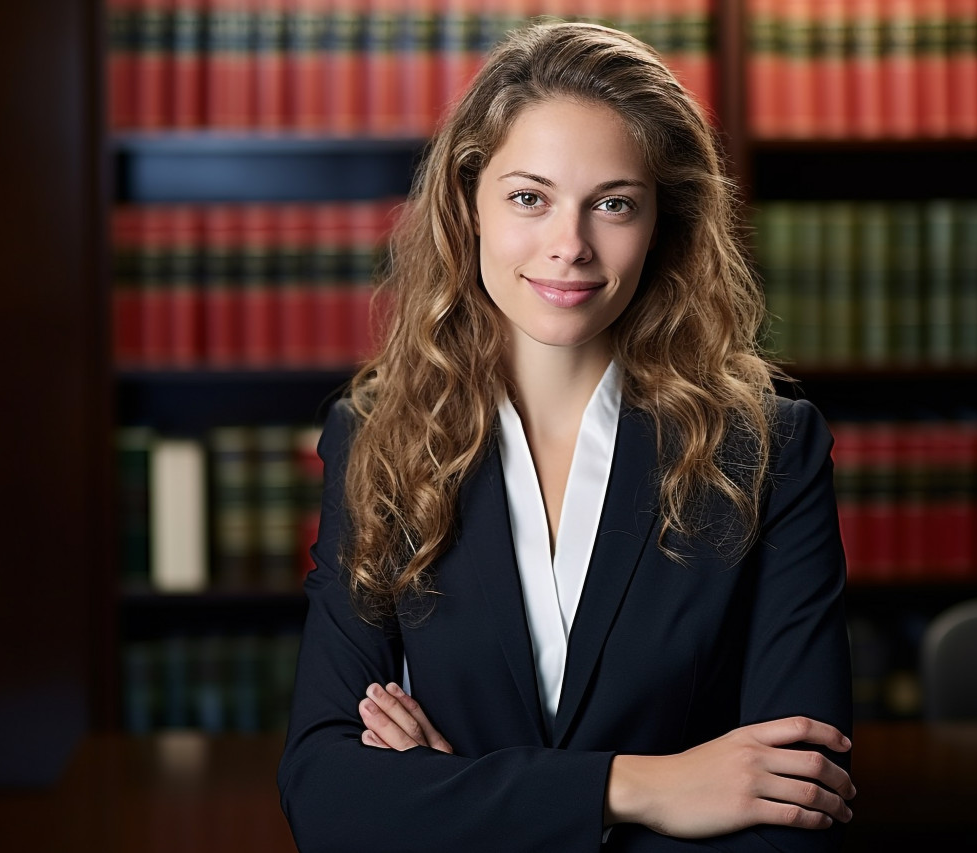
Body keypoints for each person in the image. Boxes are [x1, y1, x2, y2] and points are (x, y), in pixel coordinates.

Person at [277, 21, 854, 852]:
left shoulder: (767, 450)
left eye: (613, 203)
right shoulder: (377, 440)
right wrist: (645, 786)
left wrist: (452, 799)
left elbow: (796, 817)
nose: (570, 246)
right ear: (468, 201)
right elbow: (326, 797)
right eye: (529, 197)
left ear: (663, 222)